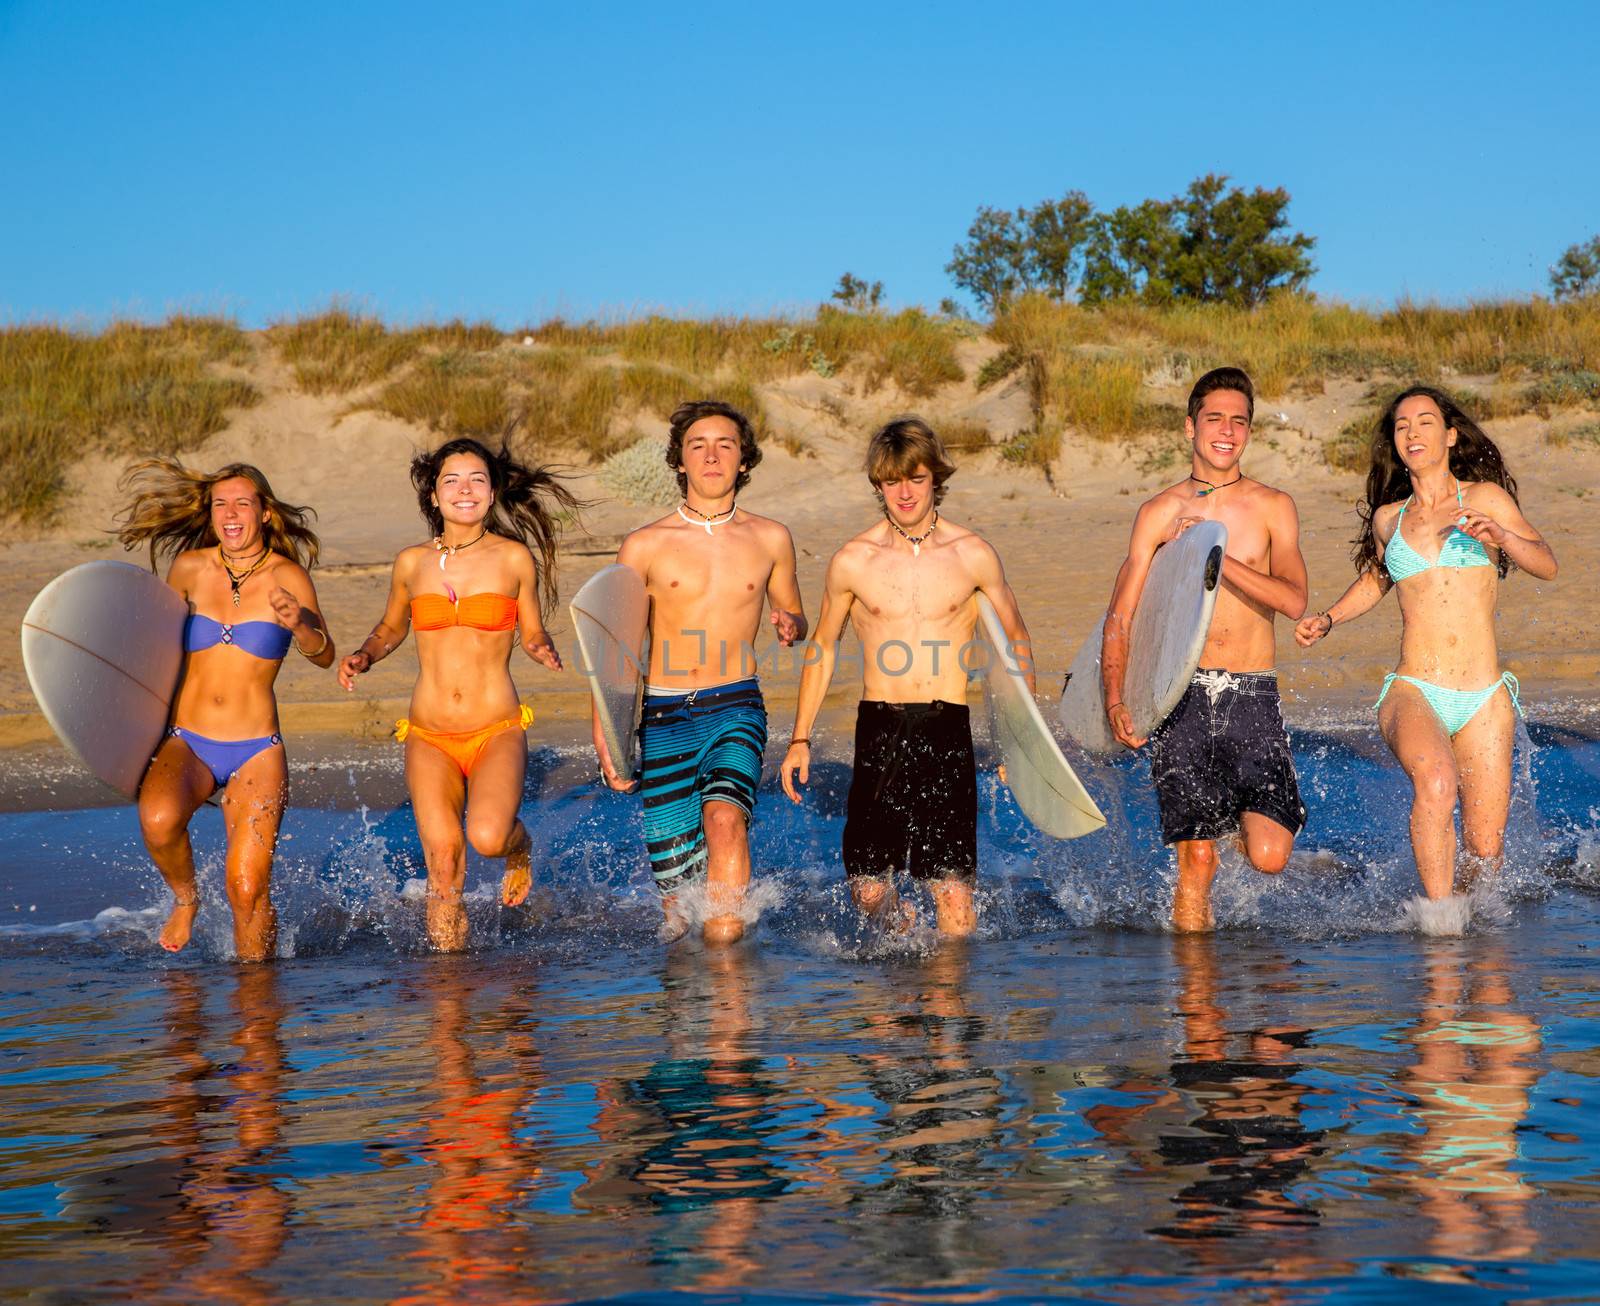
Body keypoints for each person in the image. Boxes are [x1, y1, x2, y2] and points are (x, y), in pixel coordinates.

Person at [1295, 386, 1556, 900]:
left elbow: (1546, 563)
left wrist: (1501, 537)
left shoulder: (1484, 499)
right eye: (1402, 426)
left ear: (1451, 435)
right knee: (1435, 783)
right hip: (1415, 689)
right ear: (1395, 443)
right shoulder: (1389, 519)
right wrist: (1329, 618)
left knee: (1484, 855)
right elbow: (1378, 579)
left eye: (1425, 421)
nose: (1412, 432)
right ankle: (1439, 934)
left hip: (1483, 697)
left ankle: (1468, 940)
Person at [780, 416, 1034, 938]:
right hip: (880, 729)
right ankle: (906, 942)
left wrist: (1020, 741)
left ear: (935, 478)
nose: (904, 492)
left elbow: (1016, 643)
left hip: (947, 728)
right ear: (878, 483)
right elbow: (822, 648)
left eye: (915, 479)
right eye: (892, 480)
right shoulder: (854, 560)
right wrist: (800, 738)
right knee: (869, 889)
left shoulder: (973, 554)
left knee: (953, 889)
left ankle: (948, 1001)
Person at [339, 436, 577, 950]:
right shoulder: (411, 562)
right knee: (443, 862)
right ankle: (450, 1005)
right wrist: (365, 654)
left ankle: (520, 849)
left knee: (487, 837)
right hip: (428, 733)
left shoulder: (513, 558)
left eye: (476, 480)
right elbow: (390, 627)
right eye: (451, 480)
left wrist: (541, 648)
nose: (464, 490)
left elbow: (532, 629)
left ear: (492, 494)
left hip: (495, 727)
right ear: (433, 496)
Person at [1102, 366, 1309, 933]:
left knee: (1269, 856)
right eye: (1214, 418)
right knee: (1195, 860)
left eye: (1238, 421)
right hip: (1180, 696)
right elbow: (1120, 615)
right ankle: (1199, 1011)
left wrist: (1209, 554)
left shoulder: (1273, 506)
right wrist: (1116, 698)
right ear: (1189, 427)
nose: (1227, 431)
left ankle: (1241, 829)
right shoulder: (1157, 513)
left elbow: (1293, 600)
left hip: (1251, 695)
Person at [593, 399, 806, 945]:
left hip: (736, 704)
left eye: (725, 445)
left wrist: (790, 623)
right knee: (677, 901)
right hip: (664, 714)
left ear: (743, 460)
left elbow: (794, 611)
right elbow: (616, 649)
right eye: (698, 446)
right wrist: (606, 734)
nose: (712, 456)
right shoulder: (644, 544)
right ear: (680, 461)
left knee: (725, 822)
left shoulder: (771, 537)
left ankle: (729, 983)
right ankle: (694, 993)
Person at [117, 459, 334, 961]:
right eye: (220, 504)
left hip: (257, 748)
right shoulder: (190, 569)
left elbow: (324, 653)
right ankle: (187, 899)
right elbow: (158, 648)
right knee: (157, 818)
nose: (230, 513)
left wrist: (300, 624)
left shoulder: (287, 575)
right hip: (188, 738)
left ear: (264, 513)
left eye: (242, 503)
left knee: (246, 887)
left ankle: (257, 1007)